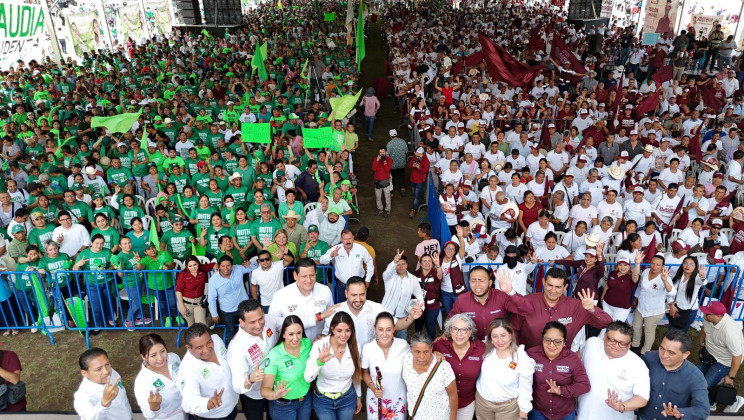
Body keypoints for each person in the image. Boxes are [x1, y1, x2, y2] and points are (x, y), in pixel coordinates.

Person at [511, 268, 612, 350]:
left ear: (565, 287)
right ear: (543, 282)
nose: (553, 291)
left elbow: (606, 323)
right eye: (550, 285)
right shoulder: (526, 302)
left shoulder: (576, 306)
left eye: (558, 287)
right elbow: (513, 330)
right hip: (529, 360)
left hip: (561, 365)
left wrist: (592, 309)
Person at [578, 321, 649, 420]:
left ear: (629, 345)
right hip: (585, 415)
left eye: (622, 343)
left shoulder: (638, 365)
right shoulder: (591, 344)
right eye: (612, 340)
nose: (616, 346)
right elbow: (578, 359)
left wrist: (621, 406)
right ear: (604, 337)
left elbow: (642, 398)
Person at [226, 299, 282, 420]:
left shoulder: (269, 320)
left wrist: (319, 318)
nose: (259, 325)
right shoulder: (236, 347)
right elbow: (238, 385)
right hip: (253, 396)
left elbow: (288, 323)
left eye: (260, 318)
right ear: (242, 322)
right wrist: (250, 379)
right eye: (252, 322)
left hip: (274, 385)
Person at [637, 329, 710, 420]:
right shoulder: (648, 358)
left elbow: (702, 410)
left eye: (671, 353)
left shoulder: (695, 377)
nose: (664, 355)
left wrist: (681, 412)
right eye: (662, 348)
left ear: (685, 354)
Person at [526, 321, 591, 420]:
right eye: (547, 340)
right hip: (538, 412)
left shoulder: (572, 358)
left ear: (564, 342)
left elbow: (584, 386)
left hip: (565, 413)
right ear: (542, 339)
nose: (551, 345)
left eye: (557, 341)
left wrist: (561, 390)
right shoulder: (530, 354)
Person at [448, 265, 532, 340]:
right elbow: (450, 321)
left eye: (481, 280)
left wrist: (511, 291)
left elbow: (526, 310)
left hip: (498, 343)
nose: (477, 284)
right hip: (473, 345)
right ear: (469, 282)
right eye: (473, 281)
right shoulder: (462, 299)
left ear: (490, 283)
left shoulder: (501, 296)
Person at [305, 312, 363, 419]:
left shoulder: (356, 347)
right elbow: (308, 377)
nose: (343, 335)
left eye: (347, 330)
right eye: (339, 330)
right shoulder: (320, 345)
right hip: (323, 400)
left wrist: (358, 396)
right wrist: (320, 362)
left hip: (347, 398)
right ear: (332, 329)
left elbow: (356, 375)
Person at [475, 318, 535, 420]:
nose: (500, 341)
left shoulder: (521, 358)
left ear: (510, 335)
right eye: (495, 336)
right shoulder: (487, 351)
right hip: (483, 404)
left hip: (508, 408)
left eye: (503, 335)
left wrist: (523, 415)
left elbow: (526, 389)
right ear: (490, 339)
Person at [268, 258, 338, 341]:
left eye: (312, 275)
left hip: (318, 345)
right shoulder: (280, 295)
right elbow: (273, 324)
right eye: (304, 276)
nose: (308, 280)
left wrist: (325, 334)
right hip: (292, 349)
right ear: (295, 275)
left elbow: (330, 316)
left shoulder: (325, 290)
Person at [179, 323, 238, 420]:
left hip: (231, 407)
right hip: (212, 416)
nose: (207, 349)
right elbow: (188, 402)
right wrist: (207, 403)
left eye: (208, 342)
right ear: (188, 348)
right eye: (199, 347)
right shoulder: (188, 370)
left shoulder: (216, 339)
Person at [432, 314, 485, 420]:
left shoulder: (481, 349)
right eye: (455, 329)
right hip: (441, 401)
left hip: (466, 402)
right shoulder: (439, 345)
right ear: (449, 331)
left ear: (470, 331)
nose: (459, 334)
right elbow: (419, 354)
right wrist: (433, 353)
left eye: (464, 330)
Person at [261, 315, 313, 420]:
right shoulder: (275, 355)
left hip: (306, 399)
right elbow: (265, 389)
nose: (296, 338)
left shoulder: (306, 343)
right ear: (283, 334)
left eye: (299, 333)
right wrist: (275, 395)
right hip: (283, 405)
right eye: (291, 334)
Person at [361, 312, 411, 420]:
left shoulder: (403, 345)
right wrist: (373, 388)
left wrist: (436, 353)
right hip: (375, 398)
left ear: (394, 329)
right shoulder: (367, 348)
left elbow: (418, 359)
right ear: (375, 329)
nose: (384, 334)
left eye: (388, 329)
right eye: (380, 329)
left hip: (398, 397)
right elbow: (364, 372)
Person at [697, 301, 744, 410]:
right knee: (697, 378)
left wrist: (730, 377)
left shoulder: (730, 333)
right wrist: (702, 342)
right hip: (709, 353)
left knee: (706, 385)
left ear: (718, 316)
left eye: (708, 313)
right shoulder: (708, 317)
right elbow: (704, 328)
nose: (704, 315)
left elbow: (737, 357)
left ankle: (725, 402)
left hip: (724, 361)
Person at [401, 332, 458, 420]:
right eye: (417, 352)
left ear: (431, 349)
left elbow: (453, 395)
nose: (421, 357)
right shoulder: (406, 361)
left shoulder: (443, 367)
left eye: (426, 352)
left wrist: (453, 418)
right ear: (411, 349)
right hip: (416, 416)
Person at [207, 256, 259, 344]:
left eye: (228, 265)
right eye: (223, 266)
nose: (226, 268)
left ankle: (250, 348)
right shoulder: (213, 280)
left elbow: (254, 266)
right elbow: (211, 298)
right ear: (219, 266)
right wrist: (214, 314)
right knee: (231, 331)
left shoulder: (238, 269)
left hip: (243, 307)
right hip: (228, 311)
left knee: (248, 328)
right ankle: (230, 351)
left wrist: (250, 263)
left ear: (232, 265)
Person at [133, 333, 185, 420]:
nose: (160, 358)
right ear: (143, 357)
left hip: (188, 410)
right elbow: (148, 415)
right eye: (153, 355)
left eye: (162, 351)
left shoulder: (174, 358)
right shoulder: (142, 382)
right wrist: (154, 408)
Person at [631, 255, 676, 354]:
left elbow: (672, 292)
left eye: (658, 265)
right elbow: (640, 287)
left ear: (662, 266)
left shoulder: (665, 278)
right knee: (636, 326)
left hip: (654, 311)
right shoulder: (646, 272)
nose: (654, 266)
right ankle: (635, 344)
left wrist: (664, 280)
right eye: (653, 263)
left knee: (649, 331)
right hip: (641, 307)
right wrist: (635, 298)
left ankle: (645, 351)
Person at [74, 348, 133, 420]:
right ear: (85, 373)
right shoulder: (83, 397)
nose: (106, 371)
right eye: (98, 369)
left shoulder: (111, 372)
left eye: (107, 364)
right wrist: (104, 402)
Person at [381, 249, 424, 338]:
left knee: (402, 340)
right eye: (398, 264)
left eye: (403, 264)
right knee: (385, 338)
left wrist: (420, 308)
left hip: (403, 316)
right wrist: (394, 261)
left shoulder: (413, 279)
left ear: (407, 265)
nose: (401, 267)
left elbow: (419, 294)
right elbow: (388, 271)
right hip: (386, 314)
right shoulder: (389, 277)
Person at [319, 229, 374, 298]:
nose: (348, 241)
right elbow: (322, 260)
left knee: (359, 305)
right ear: (341, 239)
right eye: (345, 239)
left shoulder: (361, 249)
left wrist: (368, 279)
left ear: (353, 237)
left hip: (359, 285)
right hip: (342, 286)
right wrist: (331, 256)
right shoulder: (335, 249)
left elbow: (370, 262)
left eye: (350, 238)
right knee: (343, 306)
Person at [668, 256, 707, 332]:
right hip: (675, 308)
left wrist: (703, 276)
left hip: (689, 311)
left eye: (691, 264)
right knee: (671, 330)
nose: (688, 266)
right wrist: (671, 305)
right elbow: (670, 292)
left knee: (681, 333)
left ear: (695, 267)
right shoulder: (679, 276)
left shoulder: (696, 278)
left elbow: (703, 281)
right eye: (685, 263)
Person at [599, 255, 642, 321]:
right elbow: (607, 286)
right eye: (620, 265)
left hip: (621, 308)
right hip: (607, 304)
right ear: (617, 265)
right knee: (605, 326)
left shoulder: (631, 277)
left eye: (625, 265)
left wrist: (637, 263)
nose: (622, 267)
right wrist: (602, 298)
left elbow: (636, 275)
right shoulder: (613, 273)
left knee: (616, 329)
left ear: (629, 266)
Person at [176, 256, 215, 327]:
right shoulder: (183, 274)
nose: (193, 268)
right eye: (190, 266)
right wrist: (181, 306)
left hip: (199, 302)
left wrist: (215, 271)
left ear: (198, 264)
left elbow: (215, 264)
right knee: (191, 325)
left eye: (195, 265)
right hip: (186, 303)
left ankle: (212, 318)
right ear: (187, 266)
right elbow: (178, 291)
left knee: (202, 326)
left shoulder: (202, 269)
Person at [372, 145, 393, 217]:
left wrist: (385, 162)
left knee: (387, 197)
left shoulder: (389, 160)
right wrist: (377, 161)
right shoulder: (376, 159)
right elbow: (374, 169)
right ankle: (380, 209)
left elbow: (387, 170)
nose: (381, 154)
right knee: (378, 197)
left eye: (383, 152)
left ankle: (387, 210)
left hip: (385, 181)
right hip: (377, 181)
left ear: (386, 152)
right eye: (380, 152)